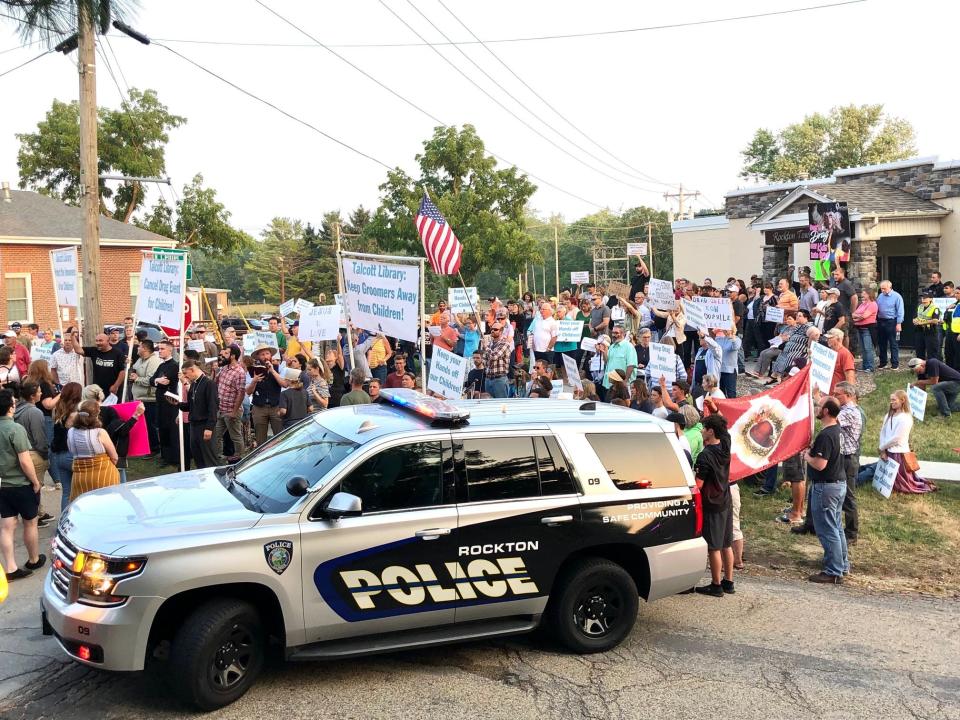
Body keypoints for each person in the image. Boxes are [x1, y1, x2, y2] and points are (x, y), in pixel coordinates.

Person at [803, 396, 849, 584]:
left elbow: (820, 464)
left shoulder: (826, 434)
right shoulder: (837, 430)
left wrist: (806, 456)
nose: (816, 408)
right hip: (838, 484)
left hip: (826, 487)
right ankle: (842, 565)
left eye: (819, 406)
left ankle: (833, 570)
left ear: (826, 411)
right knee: (837, 527)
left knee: (827, 529)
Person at [0, 388, 44, 581]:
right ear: (11, 407)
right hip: (20, 484)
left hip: (2, 485)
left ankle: (9, 568)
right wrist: (35, 482)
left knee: (6, 527)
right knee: (30, 522)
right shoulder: (15, 429)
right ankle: (33, 559)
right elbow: (25, 461)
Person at [694, 414, 734, 597]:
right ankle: (729, 581)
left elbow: (699, 485)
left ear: (711, 431)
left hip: (712, 503)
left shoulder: (705, 456)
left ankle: (716, 584)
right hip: (726, 499)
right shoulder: (725, 445)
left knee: (714, 547)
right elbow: (725, 432)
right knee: (726, 543)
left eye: (703, 428)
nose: (701, 431)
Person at [878, 390, 936, 494]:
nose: (891, 402)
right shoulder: (888, 415)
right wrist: (882, 449)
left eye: (894, 400)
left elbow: (897, 438)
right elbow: (883, 432)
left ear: (902, 400)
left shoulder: (905, 418)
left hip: (898, 453)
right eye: (890, 400)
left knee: (901, 483)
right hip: (887, 450)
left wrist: (882, 447)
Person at [13, 382, 51, 527]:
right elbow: (39, 438)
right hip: (34, 453)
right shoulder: (35, 413)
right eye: (40, 391)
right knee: (35, 486)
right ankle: (34, 515)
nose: (42, 393)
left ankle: (38, 513)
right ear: (32, 395)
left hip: (22, 452)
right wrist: (45, 455)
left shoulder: (17, 410)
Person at [67, 399, 121, 502]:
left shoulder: (71, 432)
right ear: (97, 415)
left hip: (80, 477)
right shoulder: (100, 432)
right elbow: (114, 457)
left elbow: (71, 450)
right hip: (103, 475)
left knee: (82, 505)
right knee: (106, 505)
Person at [169, 360, 219, 468]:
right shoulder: (194, 384)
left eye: (186, 373)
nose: (185, 377)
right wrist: (178, 404)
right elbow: (191, 406)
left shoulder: (209, 383)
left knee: (209, 457)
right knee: (198, 456)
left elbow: (213, 407)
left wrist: (209, 427)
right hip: (194, 425)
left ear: (192, 370)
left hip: (204, 425)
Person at [835, 382, 863, 545]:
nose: (835, 397)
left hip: (847, 458)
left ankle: (852, 533)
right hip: (843, 457)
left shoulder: (850, 411)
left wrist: (818, 399)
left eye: (838, 394)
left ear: (848, 395)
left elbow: (830, 417)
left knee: (848, 496)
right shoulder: (846, 409)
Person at [246, 344, 290, 446]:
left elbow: (284, 384)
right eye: (262, 354)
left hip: (276, 406)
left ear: (271, 355)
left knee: (280, 437)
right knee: (261, 438)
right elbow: (248, 392)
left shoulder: (279, 368)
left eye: (267, 353)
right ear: (257, 357)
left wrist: (273, 371)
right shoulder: (252, 371)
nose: (265, 356)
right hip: (259, 407)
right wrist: (254, 381)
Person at [50, 383, 81, 509]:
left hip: (60, 455)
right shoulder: (76, 414)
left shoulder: (59, 410)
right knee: (80, 491)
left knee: (67, 492)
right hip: (72, 454)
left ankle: (64, 521)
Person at [214, 346, 247, 461]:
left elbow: (241, 393)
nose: (223, 355)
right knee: (216, 434)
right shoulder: (224, 368)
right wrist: (215, 370)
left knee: (235, 436)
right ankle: (217, 455)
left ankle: (239, 457)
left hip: (231, 411)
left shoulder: (239, 372)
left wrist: (234, 411)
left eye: (226, 353)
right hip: (221, 409)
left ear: (233, 356)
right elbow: (216, 383)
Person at [128, 339, 161, 454]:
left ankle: (154, 448)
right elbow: (135, 371)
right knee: (143, 425)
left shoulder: (154, 361)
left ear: (145, 349)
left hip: (149, 398)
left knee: (150, 425)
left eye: (139, 347)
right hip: (139, 397)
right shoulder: (140, 360)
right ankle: (146, 447)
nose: (137, 348)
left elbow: (151, 380)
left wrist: (137, 379)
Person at [77, 332, 127, 399]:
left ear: (108, 341)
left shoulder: (118, 353)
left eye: (100, 340)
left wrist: (115, 386)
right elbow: (78, 350)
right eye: (96, 341)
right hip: (98, 390)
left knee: (112, 408)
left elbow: (122, 372)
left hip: (112, 389)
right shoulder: (94, 351)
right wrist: (73, 337)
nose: (98, 343)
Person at [599, 326, 637, 397]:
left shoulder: (629, 347)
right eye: (613, 333)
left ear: (623, 334)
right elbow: (607, 362)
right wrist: (604, 352)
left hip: (621, 386)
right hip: (608, 384)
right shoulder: (612, 346)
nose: (614, 335)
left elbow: (631, 365)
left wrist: (625, 381)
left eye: (616, 333)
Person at [876, 280, 904, 370]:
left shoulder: (897, 297)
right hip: (881, 321)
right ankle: (883, 362)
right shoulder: (880, 296)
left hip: (892, 321)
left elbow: (900, 311)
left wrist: (899, 323)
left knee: (893, 343)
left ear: (890, 287)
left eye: (884, 288)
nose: (882, 290)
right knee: (882, 343)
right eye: (881, 288)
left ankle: (895, 363)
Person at [831, 266, 859, 351]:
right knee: (837, 334)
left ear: (842, 274)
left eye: (837, 274)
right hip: (836, 313)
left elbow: (854, 297)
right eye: (834, 274)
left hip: (845, 314)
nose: (835, 276)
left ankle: (845, 352)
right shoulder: (836, 283)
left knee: (844, 334)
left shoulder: (846, 283)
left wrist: (852, 312)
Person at [482, 323, 512, 399]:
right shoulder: (489, 344)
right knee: (489, 405)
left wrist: (486, 348)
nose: (492, 331)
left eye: (495, 329)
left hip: (499, 379)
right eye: (492, 329)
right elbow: (484, 360)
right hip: (488, 378)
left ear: (501, 331)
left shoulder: (505, 344)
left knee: (500, 404)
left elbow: (494, 356)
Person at [852, 288, 878, 372]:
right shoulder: (862, 304)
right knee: (863, 349)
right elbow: (853, 314)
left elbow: (864, 316)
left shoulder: (873, 304)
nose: (862, 295)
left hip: (868, 329)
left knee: (868, 348)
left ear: (869, 294)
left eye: (864, 293)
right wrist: (857, 316)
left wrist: (856, 318)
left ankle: (870, 367)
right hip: (860, 328)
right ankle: (865, 366)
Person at [824, 328, 856, 394]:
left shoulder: (845, 353)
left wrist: (849, 395)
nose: (827, 340)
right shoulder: (829, 352)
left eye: (830, 338)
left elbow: (850, 376)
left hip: (838, 395)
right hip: (828, 393)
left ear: (838, 339)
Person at [913, 292, 942, 361]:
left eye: (925, 298)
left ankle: (932, 369)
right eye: (922, 298)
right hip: (919, 331)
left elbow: (935, 320)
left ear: (931, 299)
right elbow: (915, 317)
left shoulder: (935, 308)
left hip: (930, 332)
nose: (923, 299)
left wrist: (922, 322)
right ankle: (921, 370)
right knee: (919, 351)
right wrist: (914, 321)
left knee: (931, 353)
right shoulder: (920, 306)